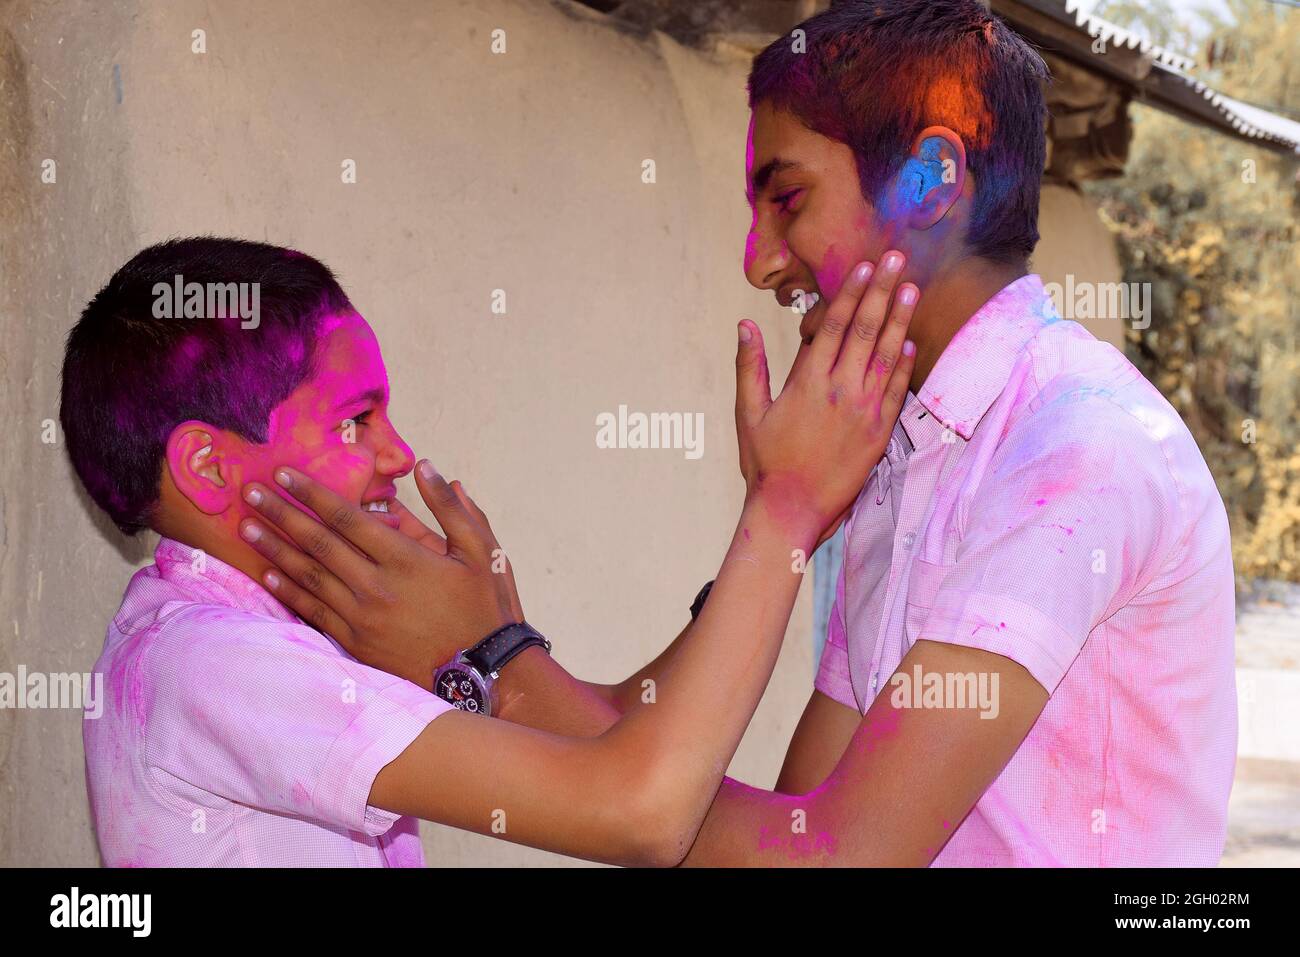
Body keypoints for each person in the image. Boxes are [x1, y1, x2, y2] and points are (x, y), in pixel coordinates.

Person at [256, 0, 1236, 866]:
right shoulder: (899, 458)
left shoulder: (1076, 448)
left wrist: (492, 664)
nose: (760, 262)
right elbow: (785, 822)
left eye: (788, 197)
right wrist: (495, 658)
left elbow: (839, 858)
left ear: (932, 179)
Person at [66, 236, 916, 866]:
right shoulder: (210, 661)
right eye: (355, 420)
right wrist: (782, 513)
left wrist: (776, 533)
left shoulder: (270, 637)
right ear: (208, 467)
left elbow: (614, 731)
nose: (397, 455)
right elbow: (639, 808)